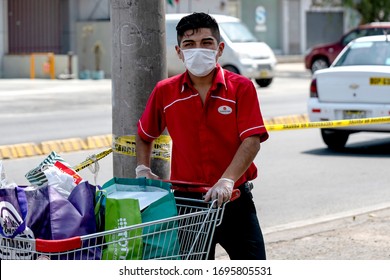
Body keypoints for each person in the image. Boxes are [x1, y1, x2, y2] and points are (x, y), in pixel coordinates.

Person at [135, 12, 269, 260]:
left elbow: (251, 141)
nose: (198, 50)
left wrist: (227, 180)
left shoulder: (241, 87)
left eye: (206, 43)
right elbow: (144, 134)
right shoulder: (165, 92)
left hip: (235, 200)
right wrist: (143, 168)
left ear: (219, 49)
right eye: (189, 44)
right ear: (178, 51)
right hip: (188, 206)